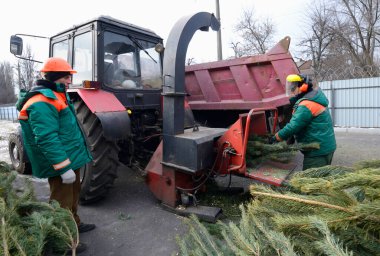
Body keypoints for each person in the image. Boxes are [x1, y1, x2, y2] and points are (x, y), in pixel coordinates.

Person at [16, 57, 95, 254]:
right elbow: (46, 137)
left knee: (73, 195)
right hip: (61, 163)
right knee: (61, 201)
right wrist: (63, 167)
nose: (69, 81)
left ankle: (74, 224)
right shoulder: (42, 101)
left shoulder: (57, 95)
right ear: (56, 77)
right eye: (67, 77)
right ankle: (62, 241)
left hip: (71, 158)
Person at [270, 74, 336, 170]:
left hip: (317, 151)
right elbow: (295, 99)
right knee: (321, 178)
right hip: (325, 147)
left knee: (310, 181)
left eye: (293, 87)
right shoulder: (314, 97)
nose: (291, 90)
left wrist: (275, 138)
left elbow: (293, 126)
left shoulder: (306, 105)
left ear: (303, 87)